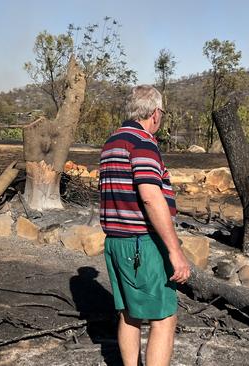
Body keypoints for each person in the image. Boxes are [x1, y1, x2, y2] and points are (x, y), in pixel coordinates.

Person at [99, 85, 191, 366]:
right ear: (154, 113)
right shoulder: (143, 143)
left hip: (116, 242)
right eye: (161, 112)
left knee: (129, 313)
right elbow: (151, 197)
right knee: (164, 318)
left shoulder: (111, 142)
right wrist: (175, 252)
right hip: (142, 243)